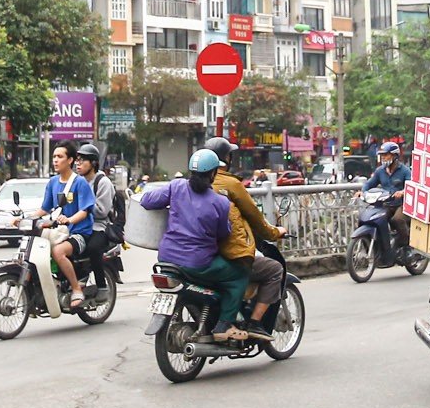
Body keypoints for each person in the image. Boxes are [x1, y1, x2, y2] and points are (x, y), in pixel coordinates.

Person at [139, 149, 249, 343]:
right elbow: (224, 233)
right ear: (214, 173)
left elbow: (147, 201)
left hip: (166, 259)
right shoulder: (220, 202)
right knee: (240, 275)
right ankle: (224, 324)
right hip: (198, 264)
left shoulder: (176, 187)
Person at [204, 137, 286, 341]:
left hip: (193, 252)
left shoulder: (186, 187)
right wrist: (275, 232)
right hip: (222, 254)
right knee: (274, 269)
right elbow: (255, 217)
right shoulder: (230, 185)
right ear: (225, 159)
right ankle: (255, 323)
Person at [40, 141, 98, 312]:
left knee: (58, 252)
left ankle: (76, 288)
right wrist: (23, 218)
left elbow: (85, 211)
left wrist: (70, 220)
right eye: (54, 157)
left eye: (60, 157)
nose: (56, 160)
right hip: (58, 231)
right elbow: (44, 209)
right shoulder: (52, 183)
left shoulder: (80, 183)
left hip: (78, 233)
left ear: (70, 160)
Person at [74, 143, 124, 291]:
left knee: (93, 248)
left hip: (99, 226)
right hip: (80, 225)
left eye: (83, 160)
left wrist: (84, 207)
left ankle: (101, 286)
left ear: (93, 163)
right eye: (78, 160)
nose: (78, 163)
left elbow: (102, 212)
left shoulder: (103, 182)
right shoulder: (78, 181)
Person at [362, 140, 411, 256]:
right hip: (386, 205)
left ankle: (407, 245)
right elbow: (369, 184)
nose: (383, 158)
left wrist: (403, 192)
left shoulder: (405, 171)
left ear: (394, 155)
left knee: (397, 220)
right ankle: (384, 246)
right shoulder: (380, 171)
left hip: (401, 205)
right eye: (382, 155)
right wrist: (362, 192)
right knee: (376, 219)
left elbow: (411, 186)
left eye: (386, 155)